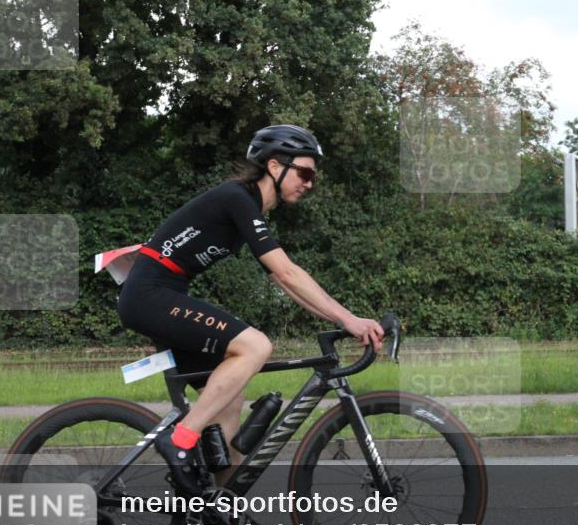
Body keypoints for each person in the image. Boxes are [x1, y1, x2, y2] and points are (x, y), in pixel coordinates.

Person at [117, 125, 384, 495]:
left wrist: (339, 318)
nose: (308, 183)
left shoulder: (247, 206)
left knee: (229, 399)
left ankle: (219, 502)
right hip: (149, 296)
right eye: (304, 173)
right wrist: (349, 319)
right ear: (274, 166)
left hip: (157, 296)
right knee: (256, 346)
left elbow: (284, 282)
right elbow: (287, 272)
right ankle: (179, 440)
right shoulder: (237, 198)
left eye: (312, 177)